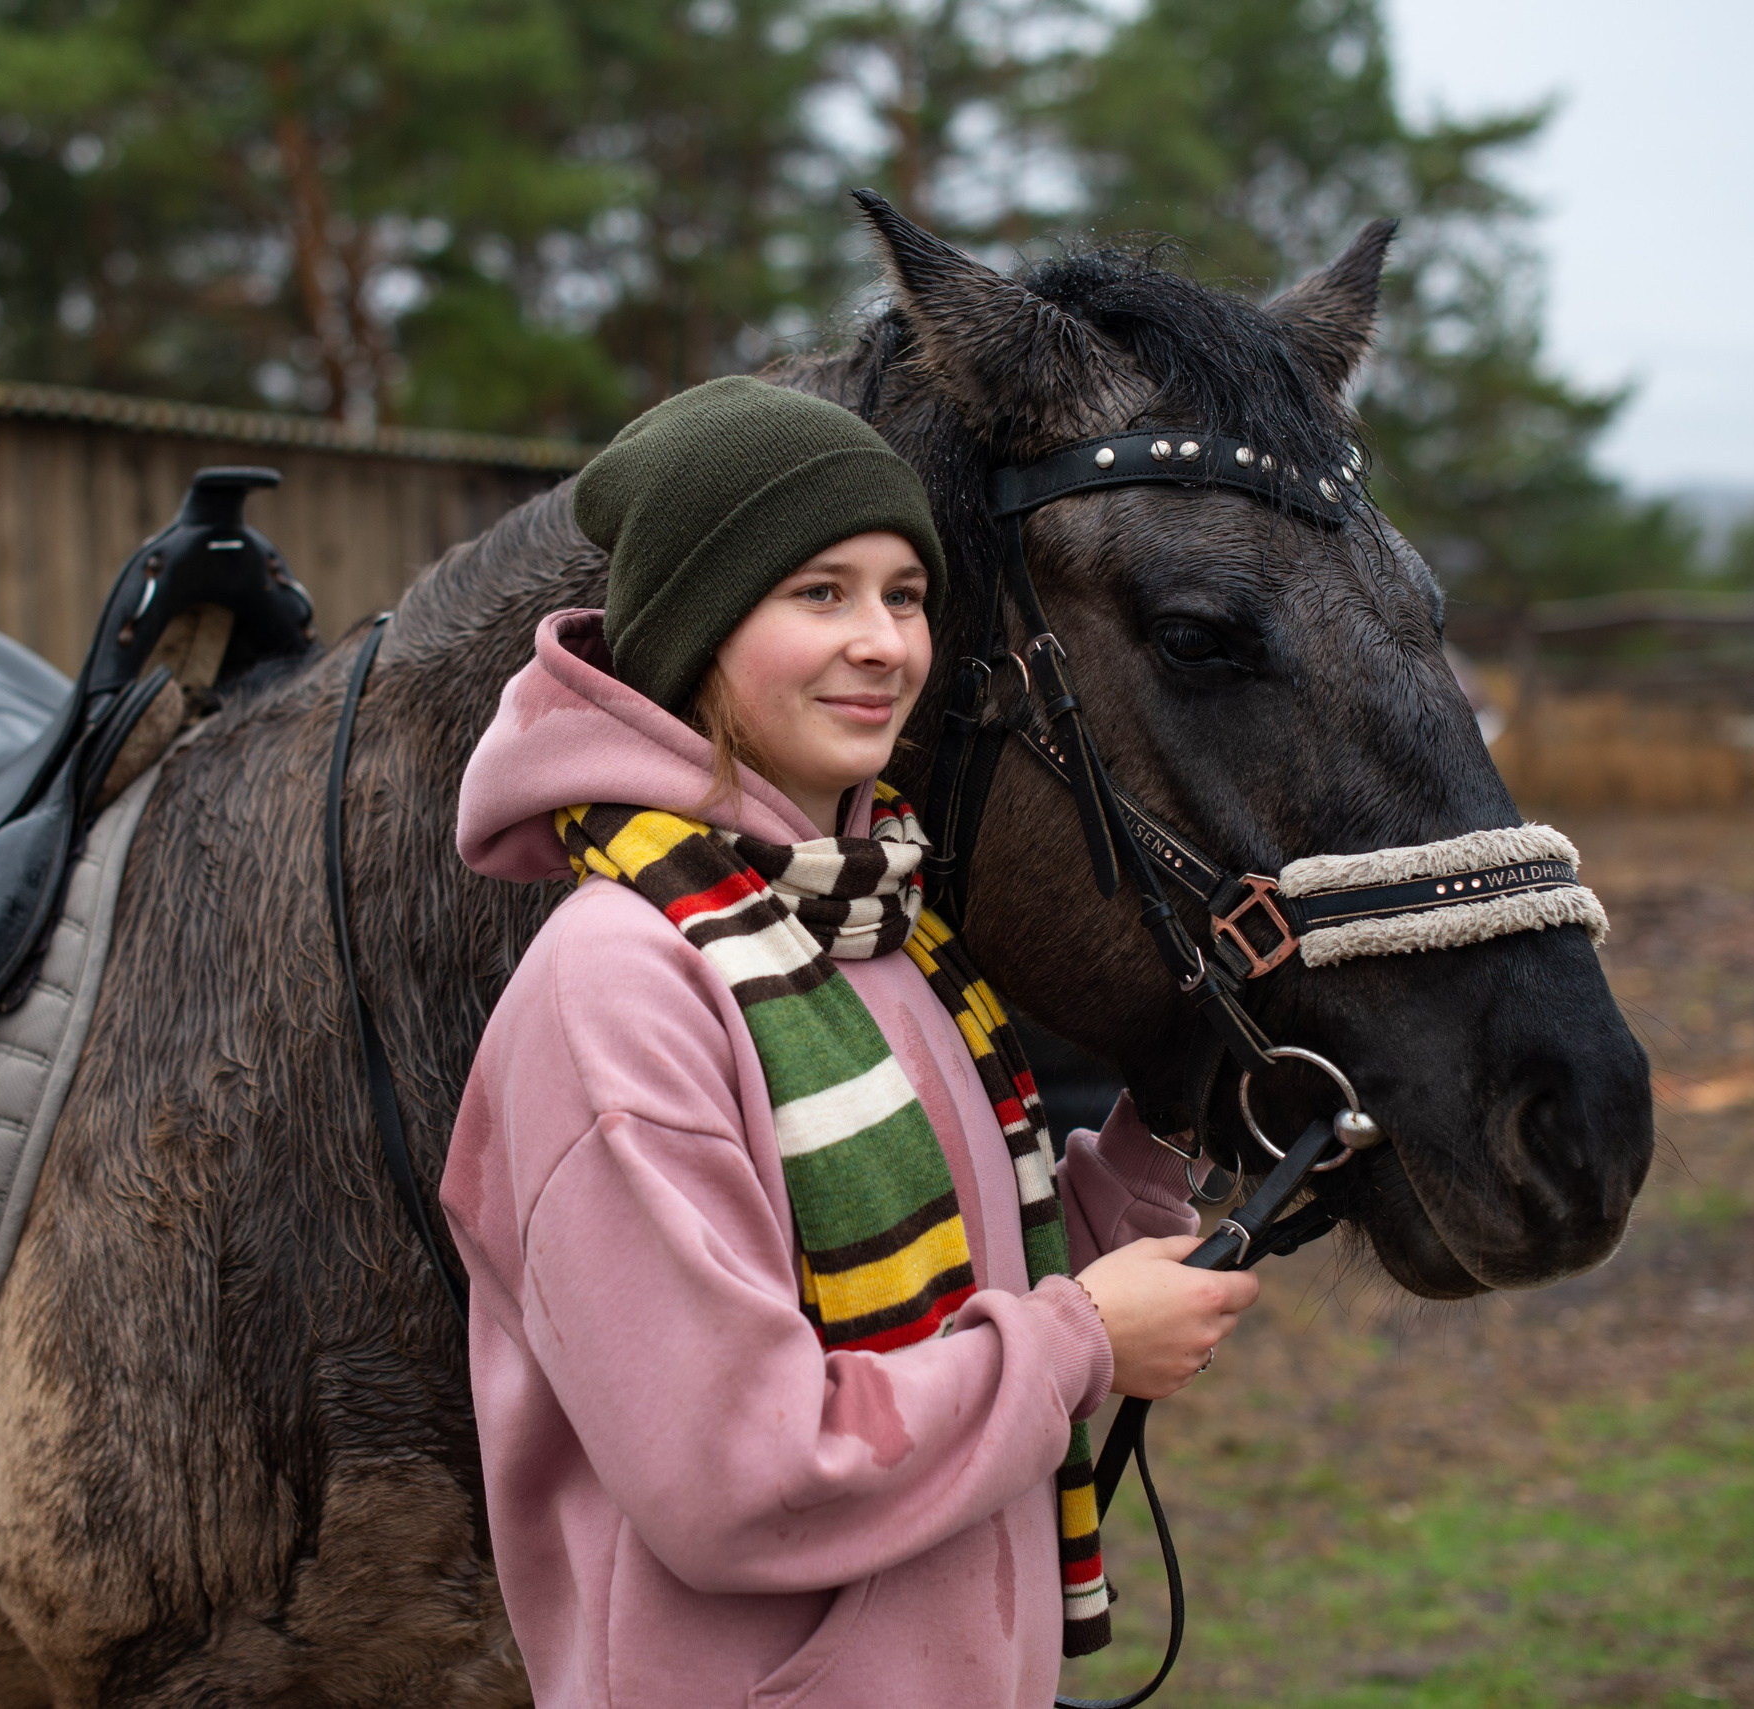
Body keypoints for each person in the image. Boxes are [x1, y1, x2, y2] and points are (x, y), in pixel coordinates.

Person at [445, 376, 1260, 1709]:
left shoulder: (879, 927)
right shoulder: (619, 990)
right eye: (817, 592)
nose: (882, 641)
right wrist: (1080, 1349)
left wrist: (1167, 1127)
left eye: (904, 593)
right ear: (695, 629)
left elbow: (975, 1285)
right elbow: (736, 1477)